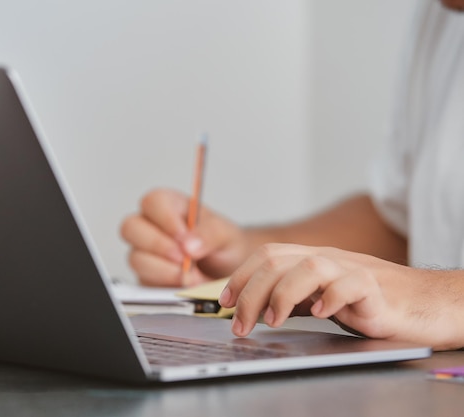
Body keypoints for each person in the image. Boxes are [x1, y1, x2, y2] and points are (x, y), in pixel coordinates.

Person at [120, 0, 464, 351]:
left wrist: (446, 297)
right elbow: (404, 223)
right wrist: (245, 260)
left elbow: (429, 286)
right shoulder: (443, 16)